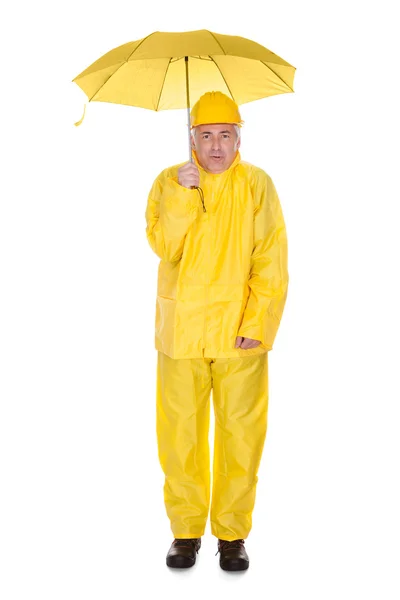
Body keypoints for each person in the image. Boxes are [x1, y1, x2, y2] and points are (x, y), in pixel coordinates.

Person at [145, 91, 289, 571]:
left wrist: (258, 323)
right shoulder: (170, 182)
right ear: (192, 139)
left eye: (225, 135)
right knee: (180, 435)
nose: (216, 146)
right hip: (182, 333)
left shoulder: (257, 186)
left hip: (237, 336)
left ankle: (232, 535)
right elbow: (164, 246)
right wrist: (181, 198)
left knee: (241, 436)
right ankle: (185, 533)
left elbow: (271, 257)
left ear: (238, 137)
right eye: (206, 136)